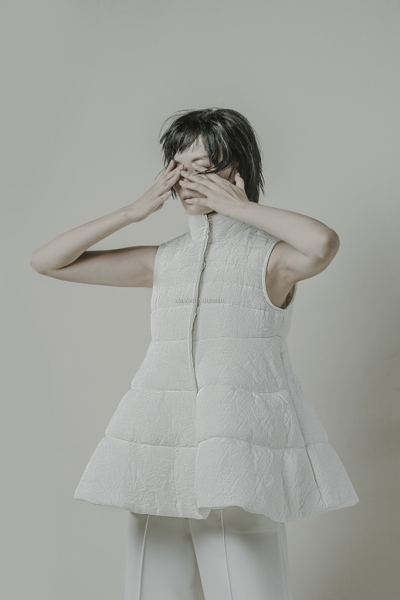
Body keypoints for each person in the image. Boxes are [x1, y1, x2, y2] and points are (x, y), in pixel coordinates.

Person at [29, 107, 359, 600]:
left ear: (235, 169)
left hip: (239, 453)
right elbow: (46, 261)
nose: (186, 181)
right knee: (152, 590)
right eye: (178, 168)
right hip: (160, 452)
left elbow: (323, 243)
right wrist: (132, 211)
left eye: (202, 167)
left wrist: (240, 208)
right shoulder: (166, 260)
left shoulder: (271, 259)